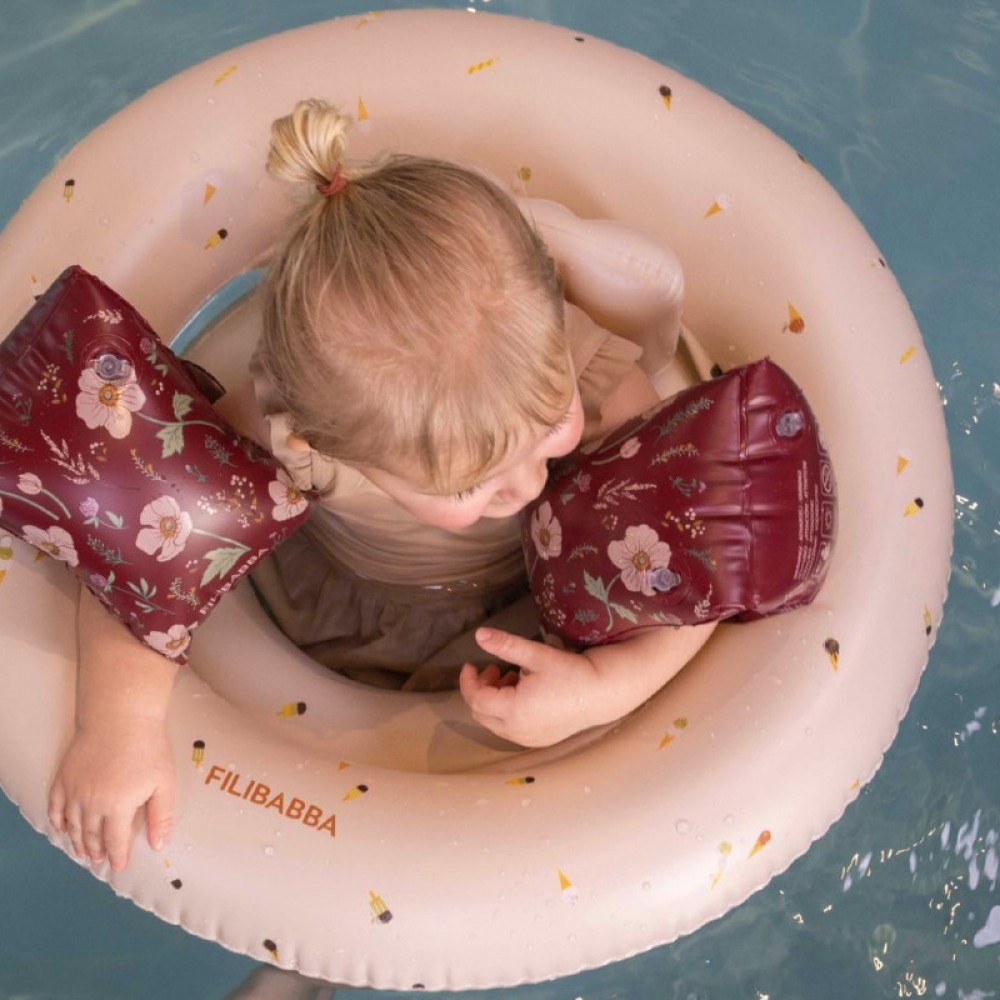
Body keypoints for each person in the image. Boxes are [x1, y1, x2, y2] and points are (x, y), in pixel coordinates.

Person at [48, 99, 715, 873]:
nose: (531, 483)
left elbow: (698, 525)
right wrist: (117, 730)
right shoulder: (285, 441)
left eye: (551, 426)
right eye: (474, 483)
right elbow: (138, 550)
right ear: (317, 445)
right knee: (367, 850)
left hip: (538, 587)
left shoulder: (558, 357)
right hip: (361, 615)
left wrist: (612, 683)